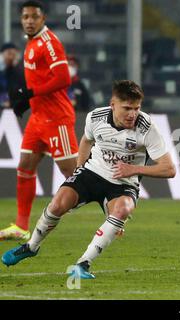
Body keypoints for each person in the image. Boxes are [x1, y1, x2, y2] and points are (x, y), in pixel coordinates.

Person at [2, 80, 176, 279]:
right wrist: (78, 171)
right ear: (113, 104)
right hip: (92, 173)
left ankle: (83, 264)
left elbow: (169, 169)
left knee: (123, 209)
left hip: (123, 183)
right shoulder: (96, 117)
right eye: (127, 108)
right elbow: (86, 141)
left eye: (136, 108)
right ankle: (31, 246)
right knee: (58, 203)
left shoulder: (146, 128)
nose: (132, 114)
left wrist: (133, 169)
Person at [0, 1, 78, 241]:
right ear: (21, 19)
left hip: (57, 119)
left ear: (43, 18)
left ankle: (114, 209)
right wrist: (26, 97)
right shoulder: (30, 42)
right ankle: (22, 226)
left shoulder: (49, 42)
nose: (30, 20)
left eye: (35, 16)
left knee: (75, 175)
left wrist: (31, 93)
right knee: (25, 166)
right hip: (38, 118)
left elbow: (63, 78)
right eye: (25, 17)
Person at [0, 42, 26, 109]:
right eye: (9, 54)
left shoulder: (21, 72)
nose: (11, 57)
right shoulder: (2, 72)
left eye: (14, 54)